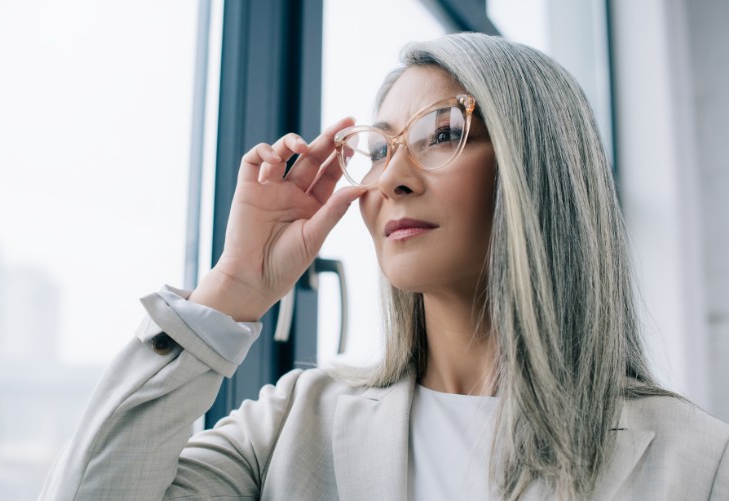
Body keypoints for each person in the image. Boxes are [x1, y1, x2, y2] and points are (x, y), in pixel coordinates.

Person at [39, 32, 728, 500]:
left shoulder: (696, 461)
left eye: (442, 134)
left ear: (538, 172)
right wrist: (234, 287)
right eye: (380, 148)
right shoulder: (295, 422)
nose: (391, 178)